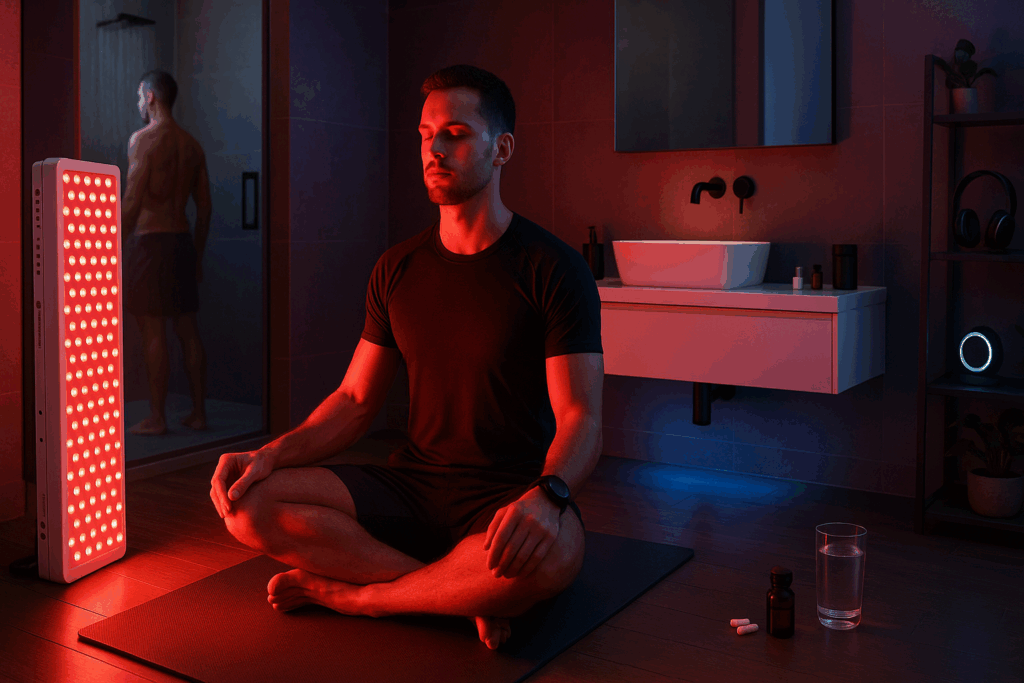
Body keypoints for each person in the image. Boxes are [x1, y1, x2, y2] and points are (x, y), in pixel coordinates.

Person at [210, 65, 604, 650]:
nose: (434, 149)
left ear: (502, 149)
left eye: (456, 134)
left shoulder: (554, 269)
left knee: (557, 555)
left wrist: (548, 497)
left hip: (506, 494)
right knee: (248, 506)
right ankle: (457, 595)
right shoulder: (397, 268)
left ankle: (364, 598)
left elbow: (581, 416)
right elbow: (354, 400)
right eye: (425, 135)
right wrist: (267, 456)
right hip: (413, 484)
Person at [122, 69, 212, 436]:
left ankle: (157, 417)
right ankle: (199, 413)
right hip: (181, 243)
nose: (139, 104)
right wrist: (197, 256)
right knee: (188, 329)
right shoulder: (192, 146)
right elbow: (204, 209)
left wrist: (110, 245)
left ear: (151, 97)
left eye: (139, 97)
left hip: (151, 243)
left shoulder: (143, 140)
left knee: (153, 330)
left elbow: (132, 200)